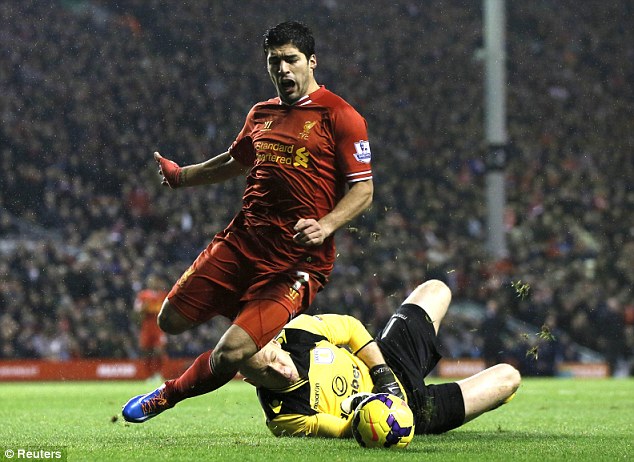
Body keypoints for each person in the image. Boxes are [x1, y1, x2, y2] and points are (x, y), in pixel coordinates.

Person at [122, 21, 374, 422]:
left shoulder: (341, 116)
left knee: (231, 353)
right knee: (169, 320)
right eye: (275, 62)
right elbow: (232, 161)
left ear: (311, 62)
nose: (283, 70)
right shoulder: (261, 114)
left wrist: (326, 225)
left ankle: (168, 395)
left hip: (295, 263)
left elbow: (363, 190)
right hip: (241, 244)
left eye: (291, 60)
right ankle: (257, 327)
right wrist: (181, 175)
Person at [239, 279, 521, 437]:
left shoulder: (297, 334)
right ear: (251, 381)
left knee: (437, 289)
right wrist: (371, 407)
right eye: (266, 372)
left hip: (387, 358)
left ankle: (421, 356)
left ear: (274, 341)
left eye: (275, 357)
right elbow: (342, 431)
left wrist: (383, 374)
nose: (280, 369)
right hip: (409, 412)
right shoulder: (284, 415)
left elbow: (350, 328)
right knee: (509, 376)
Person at [133, 274, 169, 380]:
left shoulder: (163, 295)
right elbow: (137, 309)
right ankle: (149, 375)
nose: (154, 283)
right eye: (152, 281)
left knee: (159, 351)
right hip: (147, 327)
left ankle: (158, 373)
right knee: (147, 352)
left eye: (156, 281)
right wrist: (143, 308)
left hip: (159, 327)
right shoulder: (143, 295)